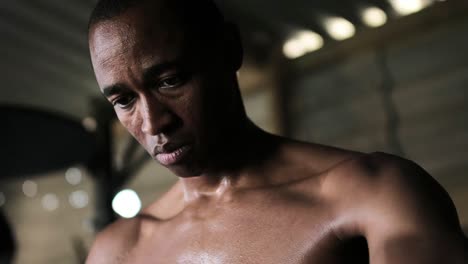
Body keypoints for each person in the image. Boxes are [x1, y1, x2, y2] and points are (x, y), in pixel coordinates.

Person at [86, 0, 468, 263]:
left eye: (170, 81)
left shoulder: (374, 194)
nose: (152, 123)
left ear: (228, 50)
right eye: (124, 101)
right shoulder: (116, 252)